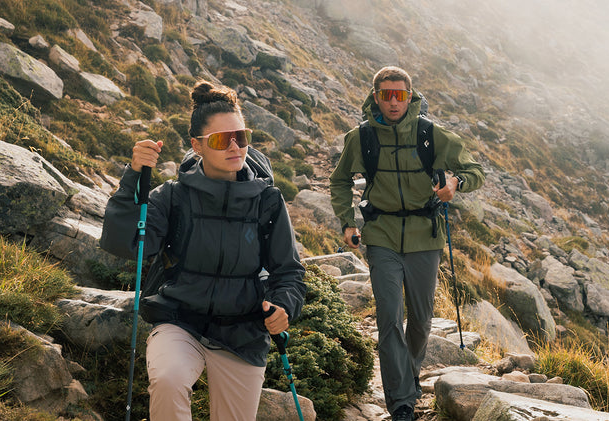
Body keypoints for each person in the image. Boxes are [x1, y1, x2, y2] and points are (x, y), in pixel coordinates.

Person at [101, 82, 306, 421]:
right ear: (197, 146)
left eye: (241, 136)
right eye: (221, 140)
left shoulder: (268, 201)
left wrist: (284, 306)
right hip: (179, 321)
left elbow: (289, 271)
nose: (235, 146)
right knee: (168, 380)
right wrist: (133, 176)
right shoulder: (173, 196)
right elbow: (127, 244)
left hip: (244, 333)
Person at [329, 66, 483, 421]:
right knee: (388, 317)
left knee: (422, 319)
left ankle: (409, 376)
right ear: (375, 96)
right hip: (380, 234)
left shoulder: (431, 135)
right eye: (386, 95)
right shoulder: (361, 138)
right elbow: (339, 181)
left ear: (410, 96)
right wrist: (347, 222)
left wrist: (456, 183)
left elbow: (476, 170)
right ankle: (401, 403)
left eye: (400, 94)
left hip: (423, 235)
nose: (394, 102)